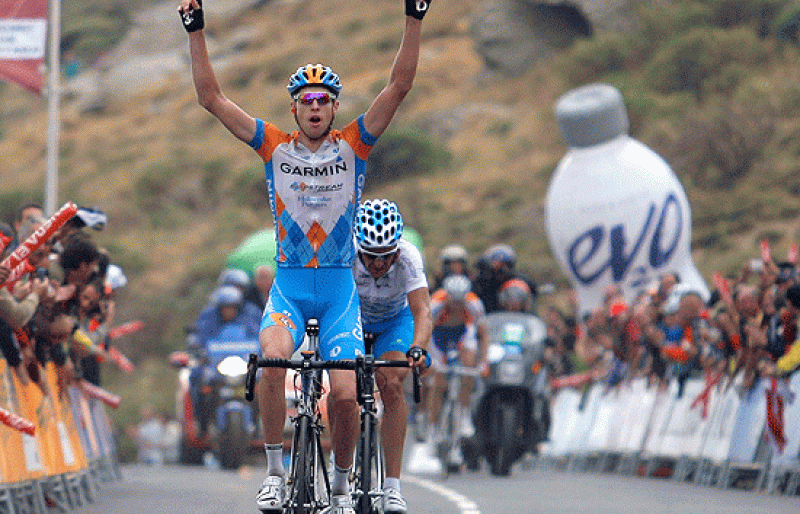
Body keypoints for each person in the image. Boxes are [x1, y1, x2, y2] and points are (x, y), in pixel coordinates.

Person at [177, 1, 432, 511]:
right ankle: (274, 472)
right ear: (294, 108)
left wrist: (414, 18)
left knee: (343, 397)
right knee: (271, 361)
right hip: (291, 287)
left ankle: (340, 487)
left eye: (324, 99)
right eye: (305, 100)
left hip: (340, 290)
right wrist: (196, 30)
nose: (315, 107)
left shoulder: (354, 146)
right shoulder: (272, 146)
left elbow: (399, 85)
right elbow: (210, 97)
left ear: (334, 108)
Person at [352, 199, 431, 513]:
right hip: (351, 322)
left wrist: (419, 347)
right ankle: (339, 465)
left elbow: (423, 310)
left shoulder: (409, 256)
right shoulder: (344, 253)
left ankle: (392, 486)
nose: (378, 264)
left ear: (397, 250)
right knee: (340, 386)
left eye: (386, 256)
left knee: (393, 382)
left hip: (393, 324)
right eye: (370, 256)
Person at [425, 273, 487, 466]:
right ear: (447, 296)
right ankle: (433, 427)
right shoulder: (435, 304)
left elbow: (483, 337)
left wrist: (483, 363)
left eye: (462, 302)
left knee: (468, 366)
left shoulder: (474, 305)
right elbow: (424, 333)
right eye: (454, 301)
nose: (458, 306)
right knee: (439, 382)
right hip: (437, 337)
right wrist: (429, 360)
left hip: (461, 335)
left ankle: (465, 412)